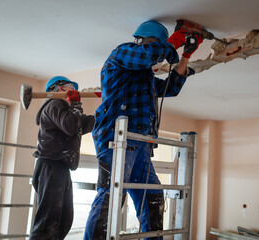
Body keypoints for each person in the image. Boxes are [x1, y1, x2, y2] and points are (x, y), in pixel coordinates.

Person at [84, 20, 202, 239]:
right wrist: (171, 43)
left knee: (153, 197)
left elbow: (171, 87)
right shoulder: (121, 54)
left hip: (141, 144)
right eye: (156, 44)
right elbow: (144, 56)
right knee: (111, 196)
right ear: (144, 40)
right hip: (115, 141)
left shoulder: (144, 76)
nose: (158, 51)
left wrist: (186, 55)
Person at [30, 76, 95, 239]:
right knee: (48, 222)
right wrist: (76, 104)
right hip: (51, 166)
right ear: (60, 89)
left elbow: (81, 124)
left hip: (60, 168)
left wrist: (105, 114)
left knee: (64, 220)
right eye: (71, 87)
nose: (74, 91)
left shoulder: (64, 111)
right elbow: (71, 126)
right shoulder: (54, 104)